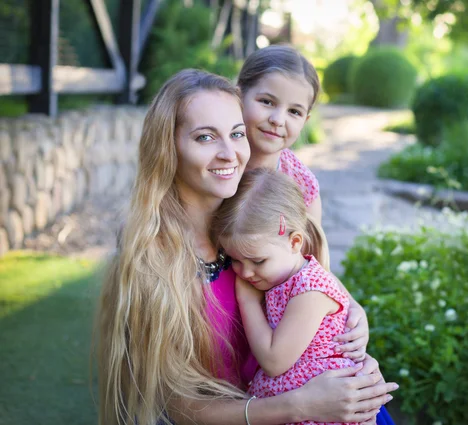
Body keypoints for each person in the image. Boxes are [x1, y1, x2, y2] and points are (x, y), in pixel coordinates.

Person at [97, 69, 398, 425]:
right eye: (205, 137)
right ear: (168, 147)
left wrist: (352, 351)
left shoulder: (257, 227)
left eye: (236, 134)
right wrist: (302, 404)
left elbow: (314, 289)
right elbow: (179, 406)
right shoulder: (152, 260)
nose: (229, 153)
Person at [213, 167, 372, 425]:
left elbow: (274, 361)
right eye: (235, 260)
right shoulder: (280, 279)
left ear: (295, 242)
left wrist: (248, 301)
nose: (245, 272)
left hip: (323, 414)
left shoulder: (310, 291)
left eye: (258, 261)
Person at [237, 45, 323, 223]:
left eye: (294, 112)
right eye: (267, 102)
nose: (278, 120)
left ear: (305, 121)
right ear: (238, 96)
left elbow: (316, 249)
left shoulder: (303, 187)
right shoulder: (215, 159)